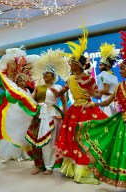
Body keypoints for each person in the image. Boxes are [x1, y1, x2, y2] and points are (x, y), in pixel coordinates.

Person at [52, 27, 108, 184]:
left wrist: (100, 93)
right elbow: (62, 92)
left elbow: (95, 93)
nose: (70, 65)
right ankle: (73, 168)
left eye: (73, 63)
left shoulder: (89, 78)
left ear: (79, 64)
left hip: (87, 110)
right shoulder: (69, 80)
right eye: (70, 63)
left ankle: (88, 168)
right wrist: (54, 94)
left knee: (87, 138)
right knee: (73, 138)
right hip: (74, 111)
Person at [76, 31, 126, 188]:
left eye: (123, 68)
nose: (121, 70)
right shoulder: (119, 85)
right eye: (121, 68)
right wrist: (93, 104)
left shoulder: (110, 79)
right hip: (122, 122)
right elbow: (107, 102)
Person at [25, 49, 69, 175]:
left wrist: (65, 116)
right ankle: (39, 165)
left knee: (49, 142)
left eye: (47, 73)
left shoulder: (58, 88)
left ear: (53, 76)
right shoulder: (39, 88)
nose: (44, 75)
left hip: (52, 116)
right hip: (39, 116)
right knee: (34, 140)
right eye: (43, 73)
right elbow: (31, 100)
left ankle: (49, 166)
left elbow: (64, 102)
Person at [97, 43, 119, 116]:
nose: (98, 67)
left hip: (107, 103)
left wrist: (94, 91)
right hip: (115, 103)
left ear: (107, 65)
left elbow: (106, 90)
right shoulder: (114, 76)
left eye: (101, 65)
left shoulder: (104, 74)